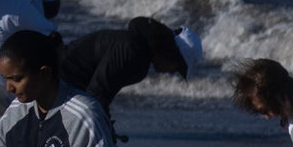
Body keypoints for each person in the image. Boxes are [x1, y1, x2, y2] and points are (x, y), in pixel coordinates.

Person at [57, 14, 201, 109]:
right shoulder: (132, 52)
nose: (171, 72)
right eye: (176, 68)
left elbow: (100, 95)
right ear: (172, 54)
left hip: (64, 84)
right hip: (59, 82)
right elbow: (96, 94)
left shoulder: (136, 51)